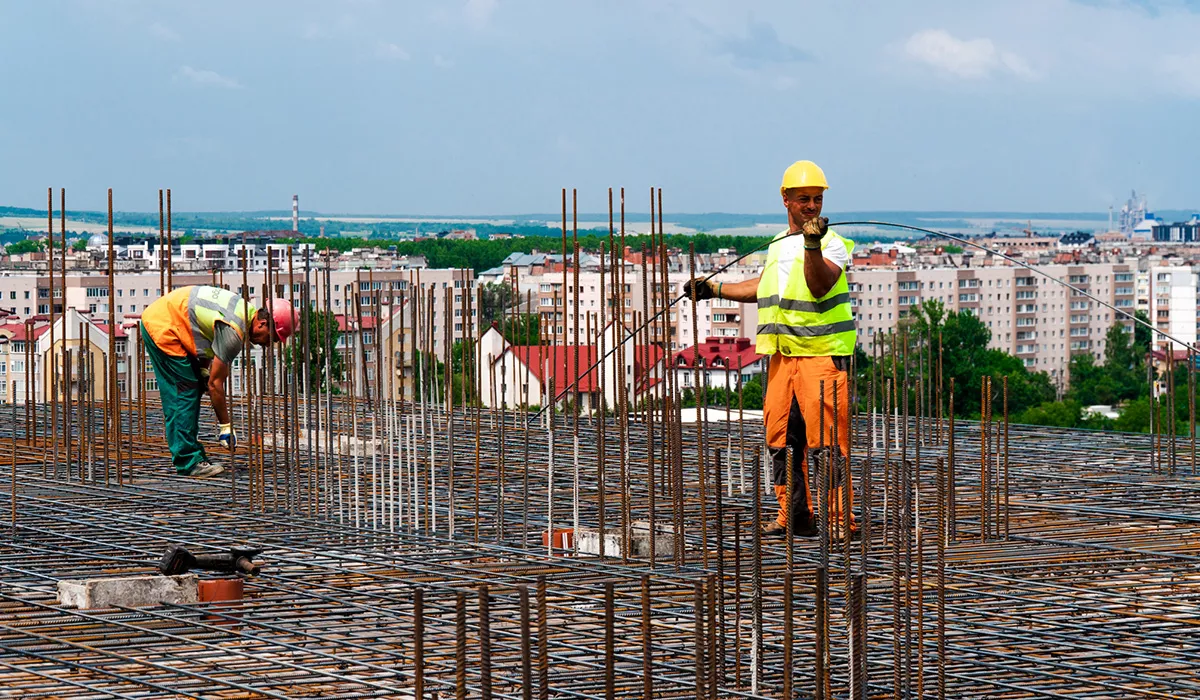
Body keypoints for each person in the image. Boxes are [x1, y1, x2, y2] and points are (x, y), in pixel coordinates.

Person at [685, 160, 857, 539]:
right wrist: (714, 290)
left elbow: (819, 284)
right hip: (782, 357)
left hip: (822, 357)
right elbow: (763, 286)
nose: (812, 206)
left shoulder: (833, 243)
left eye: (817, 199)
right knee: (781, 441)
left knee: (826, 444)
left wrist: (813, 243)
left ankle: (837, 522)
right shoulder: (780, 244)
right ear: (786, 200)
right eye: (804, 199)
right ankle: (794, 516)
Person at [140, 285, 297, 477]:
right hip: (163, 327)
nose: (267, 344)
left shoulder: (242, 310)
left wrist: (203, 369)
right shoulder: (234, 332)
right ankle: (189, 462)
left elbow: (202, 334)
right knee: (184, 393)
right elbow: (215, 384)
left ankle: (190, 454)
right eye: (271, 338)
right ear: (262, 324)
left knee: (193, 386)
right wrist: (225, 427)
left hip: (170, 321)